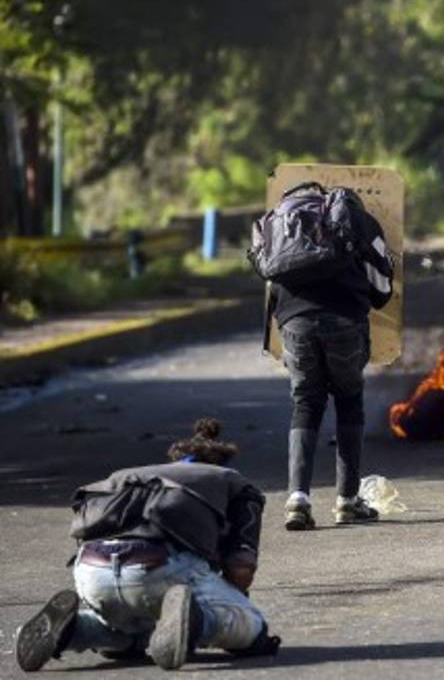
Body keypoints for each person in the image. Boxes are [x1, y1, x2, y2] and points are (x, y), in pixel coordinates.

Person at [15, 419, 279, 672]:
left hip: (91, 568)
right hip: (158, 564)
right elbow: (240, 568)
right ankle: (198, 622)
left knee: (130, 634)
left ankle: (72, 632)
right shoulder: (232, 481)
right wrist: (232, 596)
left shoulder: (131, 475)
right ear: (221, 461)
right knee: (252, 626)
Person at [272, 187, 394, 531]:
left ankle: (297, 499)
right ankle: (347, 501)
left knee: (305, 403)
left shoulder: (283, 220)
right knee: (348, 400)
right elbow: (382, 290)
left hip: (293, 323)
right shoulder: (358, 218)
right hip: (344, 320)